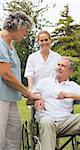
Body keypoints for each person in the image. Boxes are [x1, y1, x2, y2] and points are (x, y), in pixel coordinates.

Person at [35, 57, 80, 150]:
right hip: (47, 119)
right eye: (58, 65)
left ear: (70, 71)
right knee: (46, 122)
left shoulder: (73, 86)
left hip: (66, 122)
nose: (59, 67)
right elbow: (28, 98)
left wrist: (70, 95)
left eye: (63, 66)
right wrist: (37, 98)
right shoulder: (44, 82)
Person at [0, 11, 42, 150]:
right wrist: (27, 93)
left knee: (13, 137)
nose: (25, 35)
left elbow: (14, 76)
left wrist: (26, 92)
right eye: (25, 31)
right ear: (18, 27)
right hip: (1, 99)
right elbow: (6, 75)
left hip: (10, 98)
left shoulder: (11, 46)